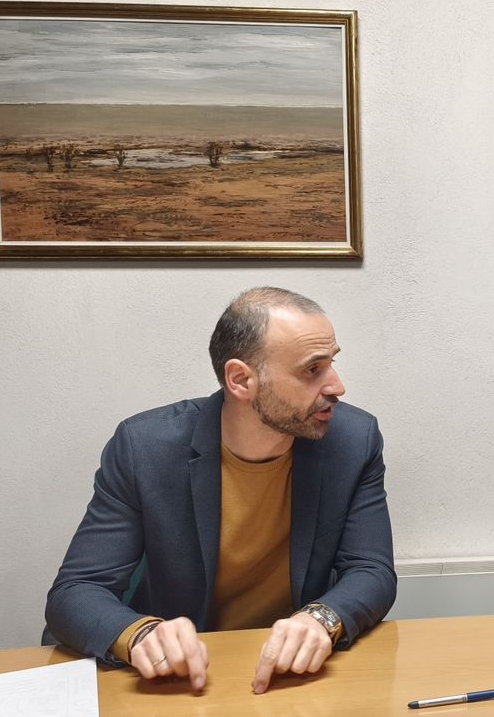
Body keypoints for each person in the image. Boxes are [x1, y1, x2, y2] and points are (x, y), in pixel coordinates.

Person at [45, 287, 396, 694]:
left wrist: (321, 618)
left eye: (331, 363)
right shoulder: (144, 448)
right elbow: (76, 591)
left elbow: (371, 570)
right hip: (183, 681)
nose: (337, 386)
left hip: (294, 677)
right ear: (241, 379)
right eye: (312, 370)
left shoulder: (354, 439)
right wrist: (140, 635)